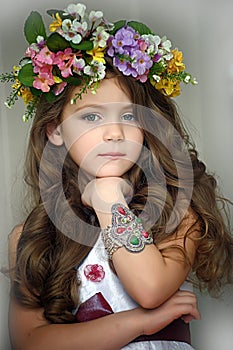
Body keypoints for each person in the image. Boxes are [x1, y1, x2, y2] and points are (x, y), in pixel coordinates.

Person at [1, 2, 233, 349]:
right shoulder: (31, 237)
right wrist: (140, 322)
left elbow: (150, 288)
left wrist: (107, 198)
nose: (114, 134)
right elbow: (31, 342)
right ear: (55, 131)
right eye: (91, 117)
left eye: (129, 117)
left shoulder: (176, 213)